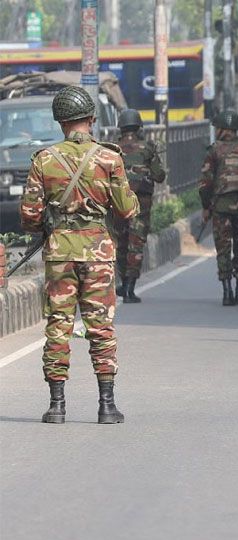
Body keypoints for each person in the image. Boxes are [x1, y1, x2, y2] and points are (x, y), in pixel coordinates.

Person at [20, 85, 139, 424]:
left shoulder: (44, 159)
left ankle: (57, 406)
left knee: (58, 325)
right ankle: (106, 406)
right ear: (91, 118)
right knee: (100, 327)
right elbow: (126, 210)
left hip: (60, 254)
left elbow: (29, 215)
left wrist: (46, 223)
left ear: (60, 122)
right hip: (99, 252)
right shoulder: (110, 157)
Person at [199, 110, 238, 306]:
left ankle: (227, 292)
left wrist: (206, 207)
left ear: (222, 129)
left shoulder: (214, 151)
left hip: (221, 207)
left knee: (223, 249)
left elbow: (205, 183)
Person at [113, 108, 165, 304]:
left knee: (122, 244)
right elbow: (160, 176)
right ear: (138, 127)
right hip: (140, 205)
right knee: (136, 244)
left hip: (118, 204)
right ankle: (129, 288)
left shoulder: (113, 149)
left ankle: (123, 282)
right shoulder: (148, 148)